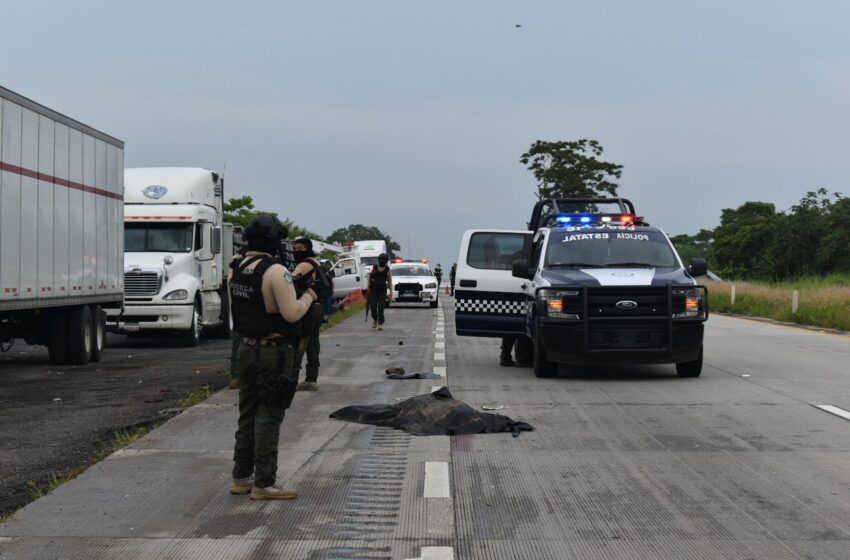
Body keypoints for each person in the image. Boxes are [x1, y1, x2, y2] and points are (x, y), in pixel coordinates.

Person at [229, 216, 317, 501]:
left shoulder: (236, 268)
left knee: (247, 413)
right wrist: (309, 297)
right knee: (269, 415)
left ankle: (241, 477)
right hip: (273, 352)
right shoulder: (276, 271)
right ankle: (264, 483)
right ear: (272, 242)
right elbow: (291, 313)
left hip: (245, 349)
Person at [291, 238, 327, 392]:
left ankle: (292, 379)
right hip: (318, 307)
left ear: (307, 249)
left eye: (299, 249)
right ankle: (311, 379)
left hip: (308, 308)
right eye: (295, 249)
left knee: (300, 342)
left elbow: (290, 282)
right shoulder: (316, 261)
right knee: (313, 343)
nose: (296, 252)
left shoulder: (305, 264)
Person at [366, 253, 393, 330]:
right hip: (373, 290)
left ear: (386, 261)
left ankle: (380, 323)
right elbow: (369, 278)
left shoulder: (387, 270)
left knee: (381, 308)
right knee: (373, 307)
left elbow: (390, 281)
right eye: (381, 260)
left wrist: (391, 293)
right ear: (379, 260)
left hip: (382, 291)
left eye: (384, 260)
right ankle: (375, 319)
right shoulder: (374, 268)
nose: (382, 261)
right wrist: (368, 287)